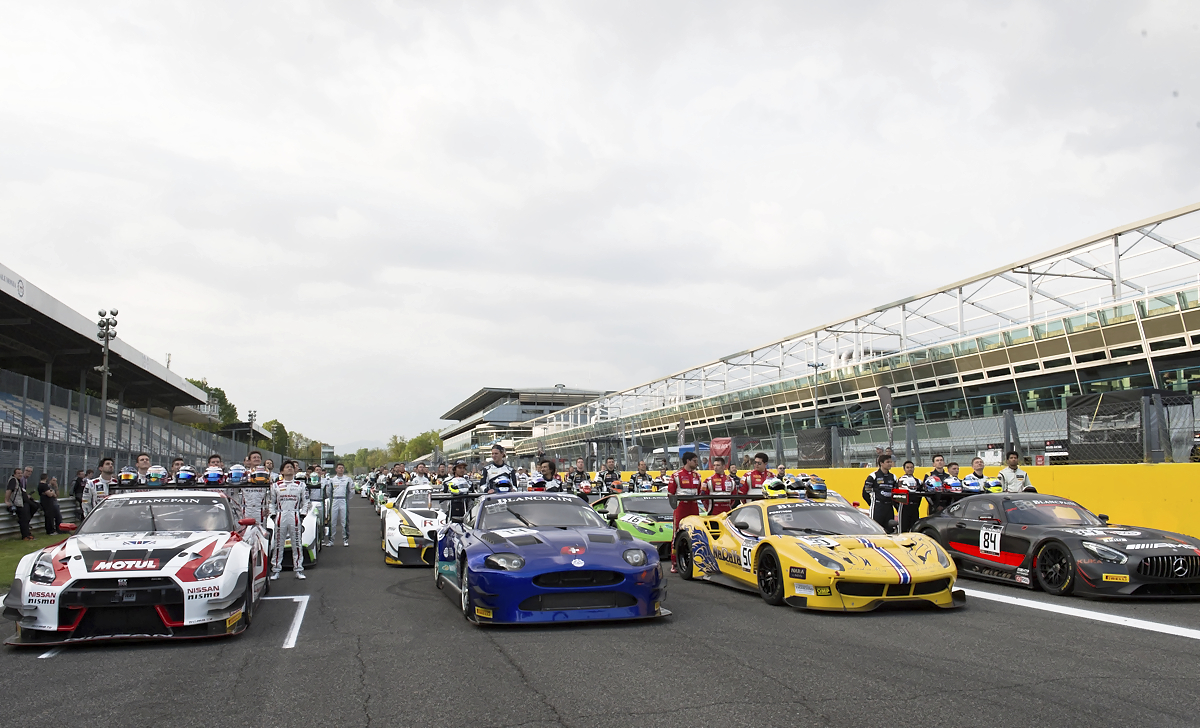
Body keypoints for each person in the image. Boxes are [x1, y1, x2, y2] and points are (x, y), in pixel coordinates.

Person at [269, 460, 309, 580]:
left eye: (291, 467)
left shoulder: (300, 485)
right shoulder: (276, 485)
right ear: (282, 471)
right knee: (278, 544)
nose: (290, 469)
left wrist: (302, 515)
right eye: (287, 467)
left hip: (295, 515)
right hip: (281, 516)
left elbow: (306, 502)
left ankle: (298, 569)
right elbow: (271, 502)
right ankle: (276, 570)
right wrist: (273, 515)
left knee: (296, 543)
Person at [667, 451, 703, 573]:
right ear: (688, 461)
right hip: (681, 507)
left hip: (694, 506)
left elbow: (699, 492)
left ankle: (694, 560)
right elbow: (670, 494)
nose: (696, 463)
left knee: (695, 533)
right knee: (677, 533)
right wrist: (675, 507)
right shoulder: (676, 475)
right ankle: (674, 562)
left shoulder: (697, 476)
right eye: (694, 460)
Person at [862, 454, 898, 532]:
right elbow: (865, 493)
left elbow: (896, 493)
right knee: (876, 529)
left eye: (890, 462)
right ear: (881, 463)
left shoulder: (893, 477)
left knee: (890, 530)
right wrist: (873, 503)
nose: (890, 464)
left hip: (889, 507)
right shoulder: (873, 476)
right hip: (877, 507)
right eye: (887, 462)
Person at [326, 462, 352, 547]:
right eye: (339, 468)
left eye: (342, 468)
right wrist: (331, 499)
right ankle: (331, 540)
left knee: (344, 521)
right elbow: (328, 492)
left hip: (343, 501)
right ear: (336, 469)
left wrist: (347, 499)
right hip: (334, 501)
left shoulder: (348, 479)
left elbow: (351, 491)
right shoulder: (332, 480)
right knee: (332, 521)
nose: (341, 469)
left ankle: (345, 539)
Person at [5, 467, 33, 540]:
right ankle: (25, 536)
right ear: (14, 474)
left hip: (20, 503)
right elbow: (9, 490)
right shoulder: (13, 480)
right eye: (18, 473)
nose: (20, 474)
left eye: (21, 473)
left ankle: (27, 534)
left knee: (25, 518)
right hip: (16, 504)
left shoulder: (18, 480)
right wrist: (6, 501)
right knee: (23, 520)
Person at [895, 460, 922, 532]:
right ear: (904, 469)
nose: (910, 469)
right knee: (903, 529)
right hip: (904, 508)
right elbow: (895, 496)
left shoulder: (918, 481)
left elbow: (920, 496)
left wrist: (916, 504)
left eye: (911, 467)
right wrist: (899, 507)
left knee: (915, 529)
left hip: (915, 508)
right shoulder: (900, 481)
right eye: (907, 467)